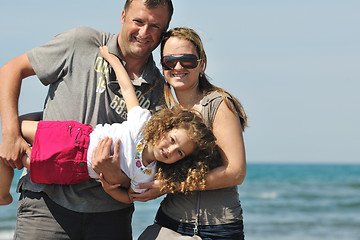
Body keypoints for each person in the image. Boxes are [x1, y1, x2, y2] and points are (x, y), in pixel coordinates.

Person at [0, 0, 173, 239]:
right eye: (138, 21)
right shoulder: (81, 42)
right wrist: (10, 134)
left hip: (111, 216)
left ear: (164, 31)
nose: (144, 32)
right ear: (123, 16)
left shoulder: (159, 90)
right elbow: (10, 70)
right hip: (46, 204)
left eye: (155, 26)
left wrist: (115, 175)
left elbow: (142, 173)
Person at [0, 46, 218, 204]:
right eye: (172, 140)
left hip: (77, 170)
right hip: (77, 138)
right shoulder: (143, 123)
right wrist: (112, 59)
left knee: (23, 159)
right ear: (166, 128)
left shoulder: (148, 175)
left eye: (179, 152)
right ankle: (2, 191)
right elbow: (127, 88)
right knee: (15, 133)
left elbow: (129, 198)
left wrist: (109, 188)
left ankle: (2, 195)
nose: (170, 149)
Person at [134, 27, 247, 239]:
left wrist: (170, 186)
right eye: (169, 61)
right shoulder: (163, 110)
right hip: (169, 223)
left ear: (201, 64)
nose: (178, 67)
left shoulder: (218, 104)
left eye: (187, 60)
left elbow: (236, 172)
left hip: (217, 228)